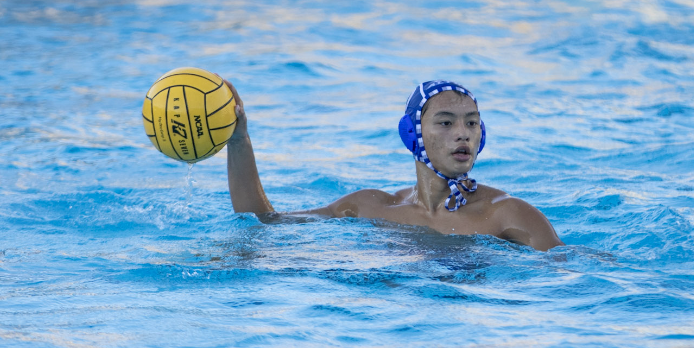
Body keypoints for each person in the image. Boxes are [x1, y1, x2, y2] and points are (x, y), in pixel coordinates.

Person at [223, 80, 565, 252]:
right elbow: (263, 223)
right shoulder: (370, 206)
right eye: (446, 123)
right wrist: (239, 141)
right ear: (411, 134)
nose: (463, 134)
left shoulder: (509, 214)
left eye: (472, 123)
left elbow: (570, 276)